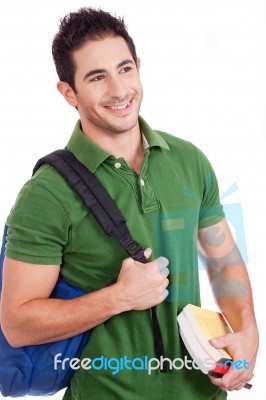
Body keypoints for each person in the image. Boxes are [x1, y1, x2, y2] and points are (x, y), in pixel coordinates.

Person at [1, 7, 258, 400]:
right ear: (68, 91)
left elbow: (223, 261)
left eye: (124, 69)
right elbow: (17, 323)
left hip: (204, 392)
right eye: (97, 77)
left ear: (138, 66)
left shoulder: (189, 160)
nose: (119, 90)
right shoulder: (46, 194)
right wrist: (118, 297)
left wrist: (247, 332)